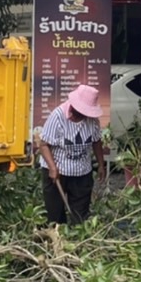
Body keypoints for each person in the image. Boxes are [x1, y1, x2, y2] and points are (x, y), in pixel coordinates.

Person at [36, 84, 108, 225]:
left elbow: (96, 141)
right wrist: (52, 167)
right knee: (55, 215)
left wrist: (101, 164)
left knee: (80, 216)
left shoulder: (92, 121)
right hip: (57, 171)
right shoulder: (57, 116)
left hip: (81, 172)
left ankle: (77, 242)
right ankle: (57, 242)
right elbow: (44, 144)